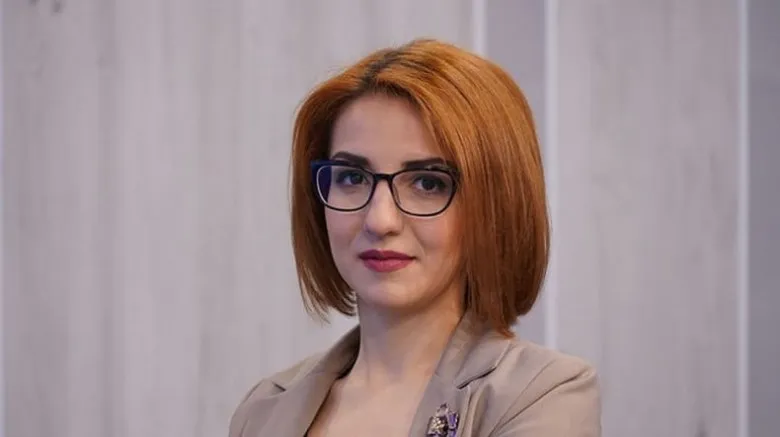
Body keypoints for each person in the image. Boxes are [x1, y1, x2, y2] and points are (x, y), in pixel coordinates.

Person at [228, 38, 600, 437]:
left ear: (494, 204)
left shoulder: (542, 395)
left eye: (427, 183)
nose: (380, 220)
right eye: (352, 177)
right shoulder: (263, 411)